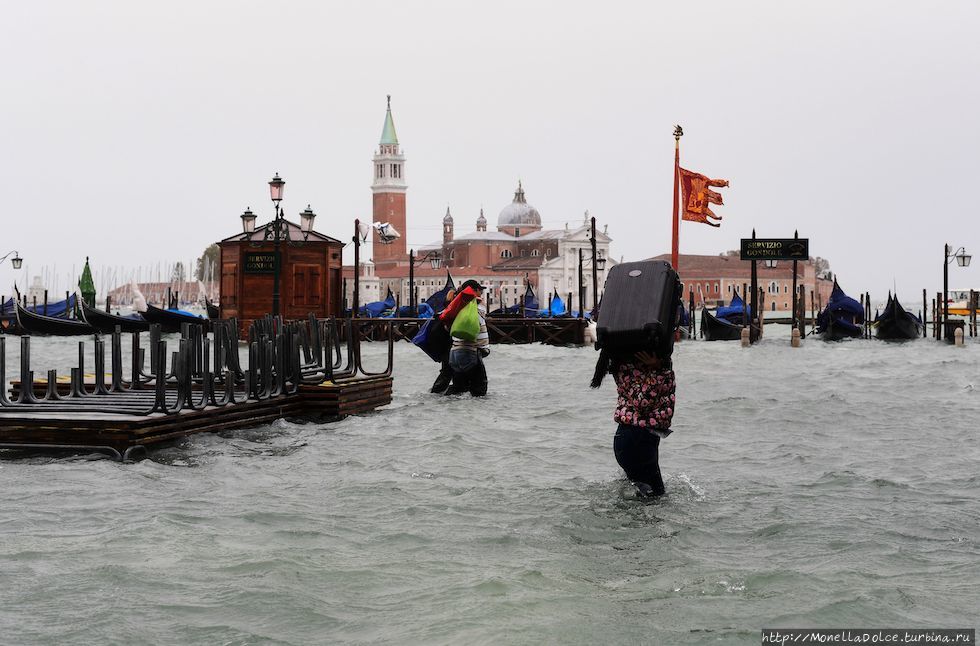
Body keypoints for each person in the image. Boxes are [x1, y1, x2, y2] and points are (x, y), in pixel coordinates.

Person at [591, 349, 675, 497]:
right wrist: (656, 371)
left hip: (640, 437)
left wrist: (661, 368)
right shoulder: (631, 370)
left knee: (653, 496)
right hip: (635, 440)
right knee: (653, 497)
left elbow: (664, 394)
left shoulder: (646, 369)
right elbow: (642, 403)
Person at [447, 280, 489, 396]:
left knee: (458, 389)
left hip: (455, 353)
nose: (481, 293)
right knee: (479, 390)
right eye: (480, 290)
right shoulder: (476, 307)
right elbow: (482, 314)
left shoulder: (458, 306)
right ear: (474, 291)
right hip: (470, 352)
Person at [430, 288, 456, 393]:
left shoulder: (443, 311)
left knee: (447, 371)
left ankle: (438, 391)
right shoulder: (450, 312)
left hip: (443, 346)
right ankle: (437, 391)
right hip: (448, 345)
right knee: (447, 372)